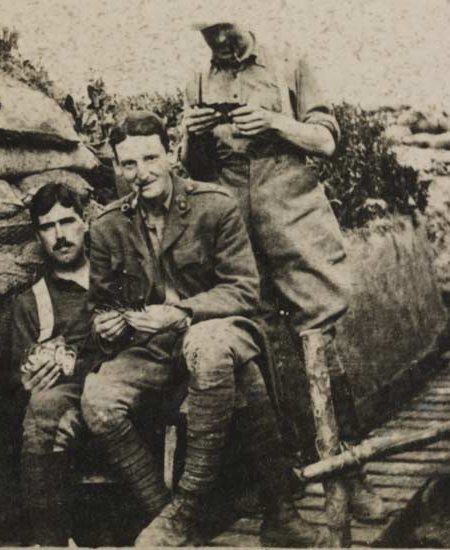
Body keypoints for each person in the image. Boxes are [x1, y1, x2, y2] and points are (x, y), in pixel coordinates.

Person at [180, 19, 386, 522]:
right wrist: (194, 135)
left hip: (292, 213)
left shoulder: (290, 61)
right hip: (232, 222)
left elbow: (325, 140)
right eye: (210, 38)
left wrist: (272, 122)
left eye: (227, 32)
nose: (221, 45)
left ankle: (348, 470)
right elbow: (194, 167)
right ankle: (282, 481)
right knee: (257, 343)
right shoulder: (197, 77)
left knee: (317, 337)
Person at [81, 111, 317, 547]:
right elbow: (99, 308)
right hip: (149, 347)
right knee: (97, 400)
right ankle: (172, 522)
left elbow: (244, 290)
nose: (141, 173)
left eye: (150, 158)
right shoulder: (107, 225)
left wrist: (183, 312)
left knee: (211, 350)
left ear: (171, 153)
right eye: (127, 164)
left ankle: (187, 509)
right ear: (115, 166)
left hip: (221, 328)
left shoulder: (215, 206)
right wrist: (107, 325)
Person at [10, 182, 97, 546]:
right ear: (38, 235)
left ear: (86, 221)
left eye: (67, 221)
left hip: (132, 385)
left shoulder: (118, 274)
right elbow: (22, 376)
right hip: (73, 401)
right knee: (40, 410)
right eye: (48, 227)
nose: (60, 236)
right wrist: (29, 379)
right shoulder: (32, 302)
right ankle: (51, 540)